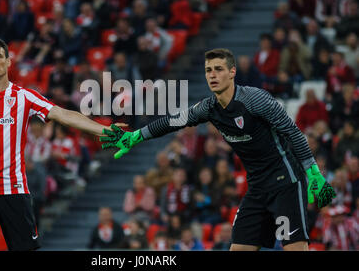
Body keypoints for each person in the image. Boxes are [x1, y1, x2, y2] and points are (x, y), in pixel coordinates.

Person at [101, 48, 337, 251]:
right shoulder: (208, 108)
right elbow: (173, 121)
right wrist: (136, 136)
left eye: (218, 69)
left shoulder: (255, 99)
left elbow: (293, 132)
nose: (212, 75)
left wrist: (313, 171)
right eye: (208, 70)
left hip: (286, 183)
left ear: (232, 72)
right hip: (257, 187)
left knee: (295, 247)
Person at [0, 37, 122, 251]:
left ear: (8, 61)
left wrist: (105, 130)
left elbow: (62, 114)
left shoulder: (23, 97)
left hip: (14, 191)